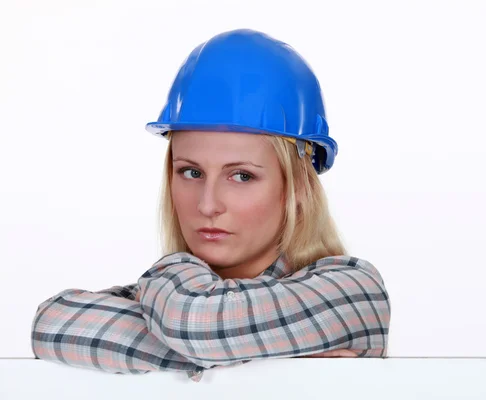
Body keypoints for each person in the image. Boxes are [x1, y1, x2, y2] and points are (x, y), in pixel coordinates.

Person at [30, 29, 391, 383]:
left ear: (298, 186)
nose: (208, 204)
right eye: (191, 172)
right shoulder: (165, 297)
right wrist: (262, 355)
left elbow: (189, 323)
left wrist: (180, 279)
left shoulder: (353, 291)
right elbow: (52, 323)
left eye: (242, 176)